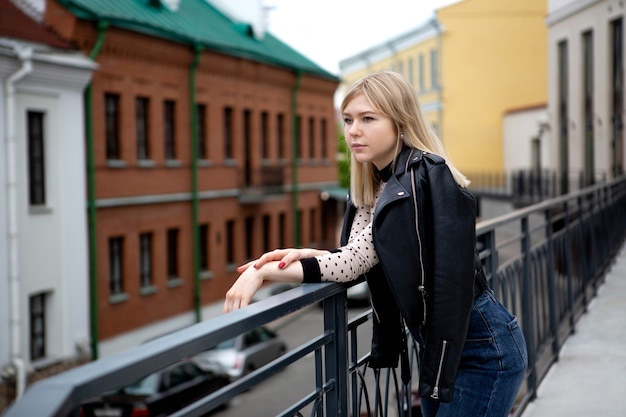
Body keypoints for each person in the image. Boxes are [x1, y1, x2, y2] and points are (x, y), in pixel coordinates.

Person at [223, 71, 528, 417]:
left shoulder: (425, 176)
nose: (353, 131)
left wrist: (262, 273)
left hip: (482, 351)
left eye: (368, 119)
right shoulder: (377, 185)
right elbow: (366, 254)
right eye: (348, 119)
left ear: (400, 121)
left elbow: (354, 262)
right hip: (442, 349)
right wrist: (312, 255)